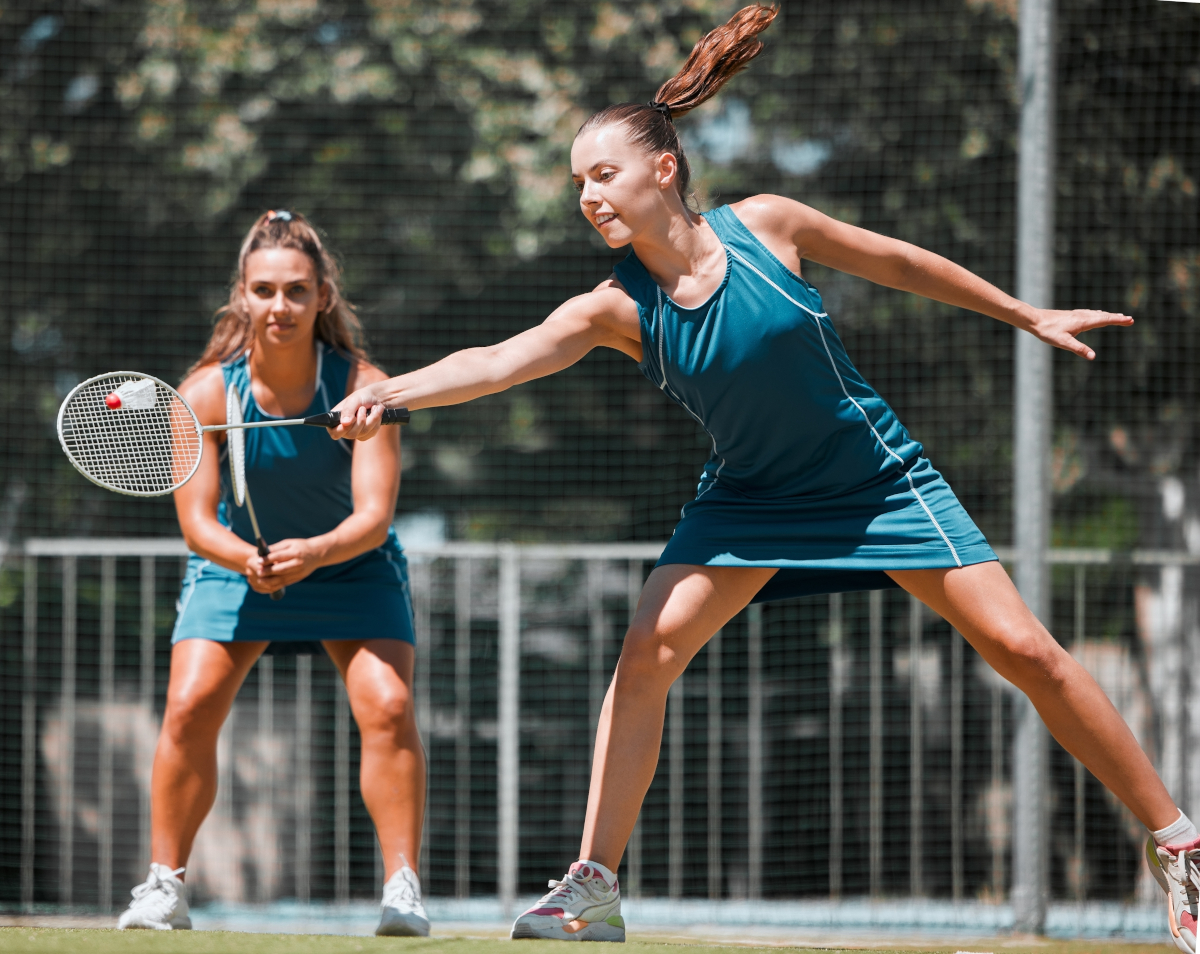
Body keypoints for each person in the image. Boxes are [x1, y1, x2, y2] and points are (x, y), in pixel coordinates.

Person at [330, 6, 1199, 947]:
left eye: (604, 174)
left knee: (1027, 652)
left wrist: (1023, 313)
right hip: (750, 499)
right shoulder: (612, 310)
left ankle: (1181, 846)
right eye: (577, 181)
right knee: (646, 653)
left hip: (878, 481)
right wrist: (395, 392)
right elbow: (499, 361)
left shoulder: (767, 227)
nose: (587, 195)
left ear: (663, 169)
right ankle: (594, 884)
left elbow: (898, 261)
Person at [117, 210, 429, 937]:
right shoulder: (202, 395)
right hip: (236, 565)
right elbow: (197, 522)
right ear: (242, 298)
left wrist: (314, 553)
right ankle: (165, 885)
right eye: (264, 291)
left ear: (323, 296)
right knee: (189, 707)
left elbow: (374, 517)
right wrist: (249, 561)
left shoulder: (364, 385)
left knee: (386, 707)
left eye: (295, 291)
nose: (279, 306)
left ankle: (402, 889)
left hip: (350, 567)